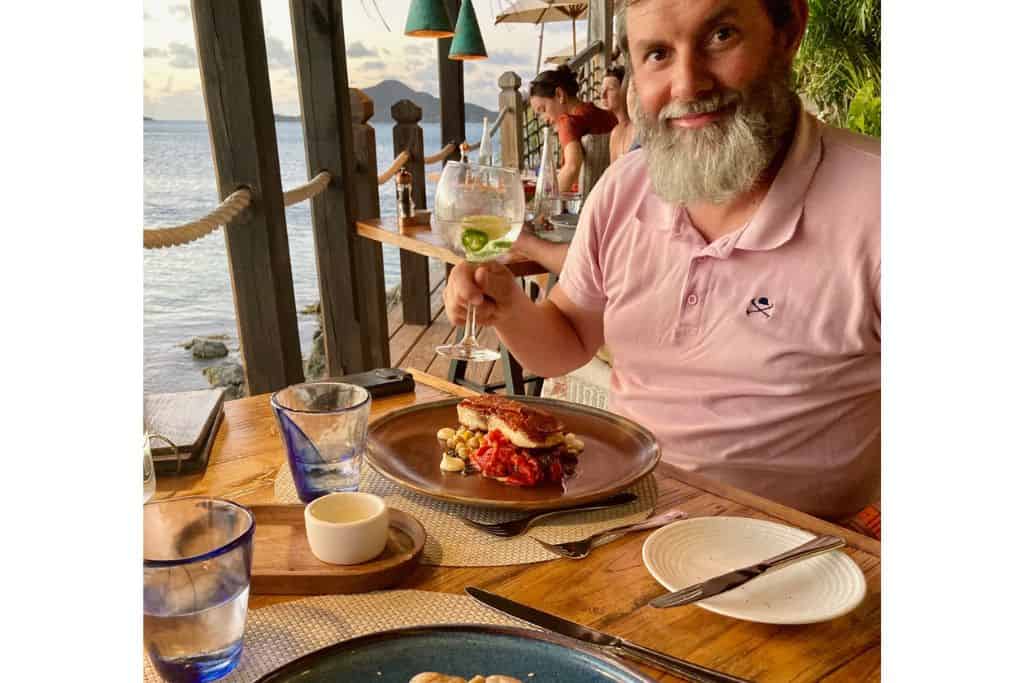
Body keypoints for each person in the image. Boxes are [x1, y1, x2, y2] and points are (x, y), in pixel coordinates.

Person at [444, 0, 880, 522]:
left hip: (799, 553)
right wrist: (507, 307)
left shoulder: (882, 202)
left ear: (788, 30)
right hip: (616, 514)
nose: (687, 85)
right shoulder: (624, 189)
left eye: (720, 36)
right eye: (656, 54)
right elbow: (565, 340)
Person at [528, 64, 618, 194]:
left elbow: (572, 167)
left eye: (543, 110)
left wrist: (544, 204)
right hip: (608, 194)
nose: (544, 119)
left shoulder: (568, 122)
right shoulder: (607, 116)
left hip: (578, 205)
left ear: (559, 95)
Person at [601, 66, 636, 163]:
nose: (603, 95)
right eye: (602, 89)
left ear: (625, 91)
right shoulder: (615, 133)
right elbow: (614, 173)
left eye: (610, 89)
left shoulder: (637, 129)